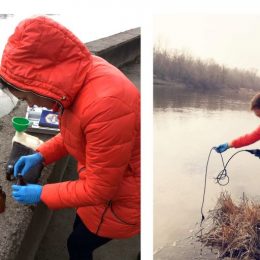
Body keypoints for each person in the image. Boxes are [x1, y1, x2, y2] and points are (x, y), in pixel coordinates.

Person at [0, 16, 140, 260]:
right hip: (101, 184)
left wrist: (42, 194)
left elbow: (99, 190)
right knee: (78, 234)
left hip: (122, 201)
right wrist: (41, 155)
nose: (31, 105)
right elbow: (77, 133)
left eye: (26, 98)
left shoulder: (105, 104)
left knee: (77, 245)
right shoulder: (78, 78)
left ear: (41, 84)